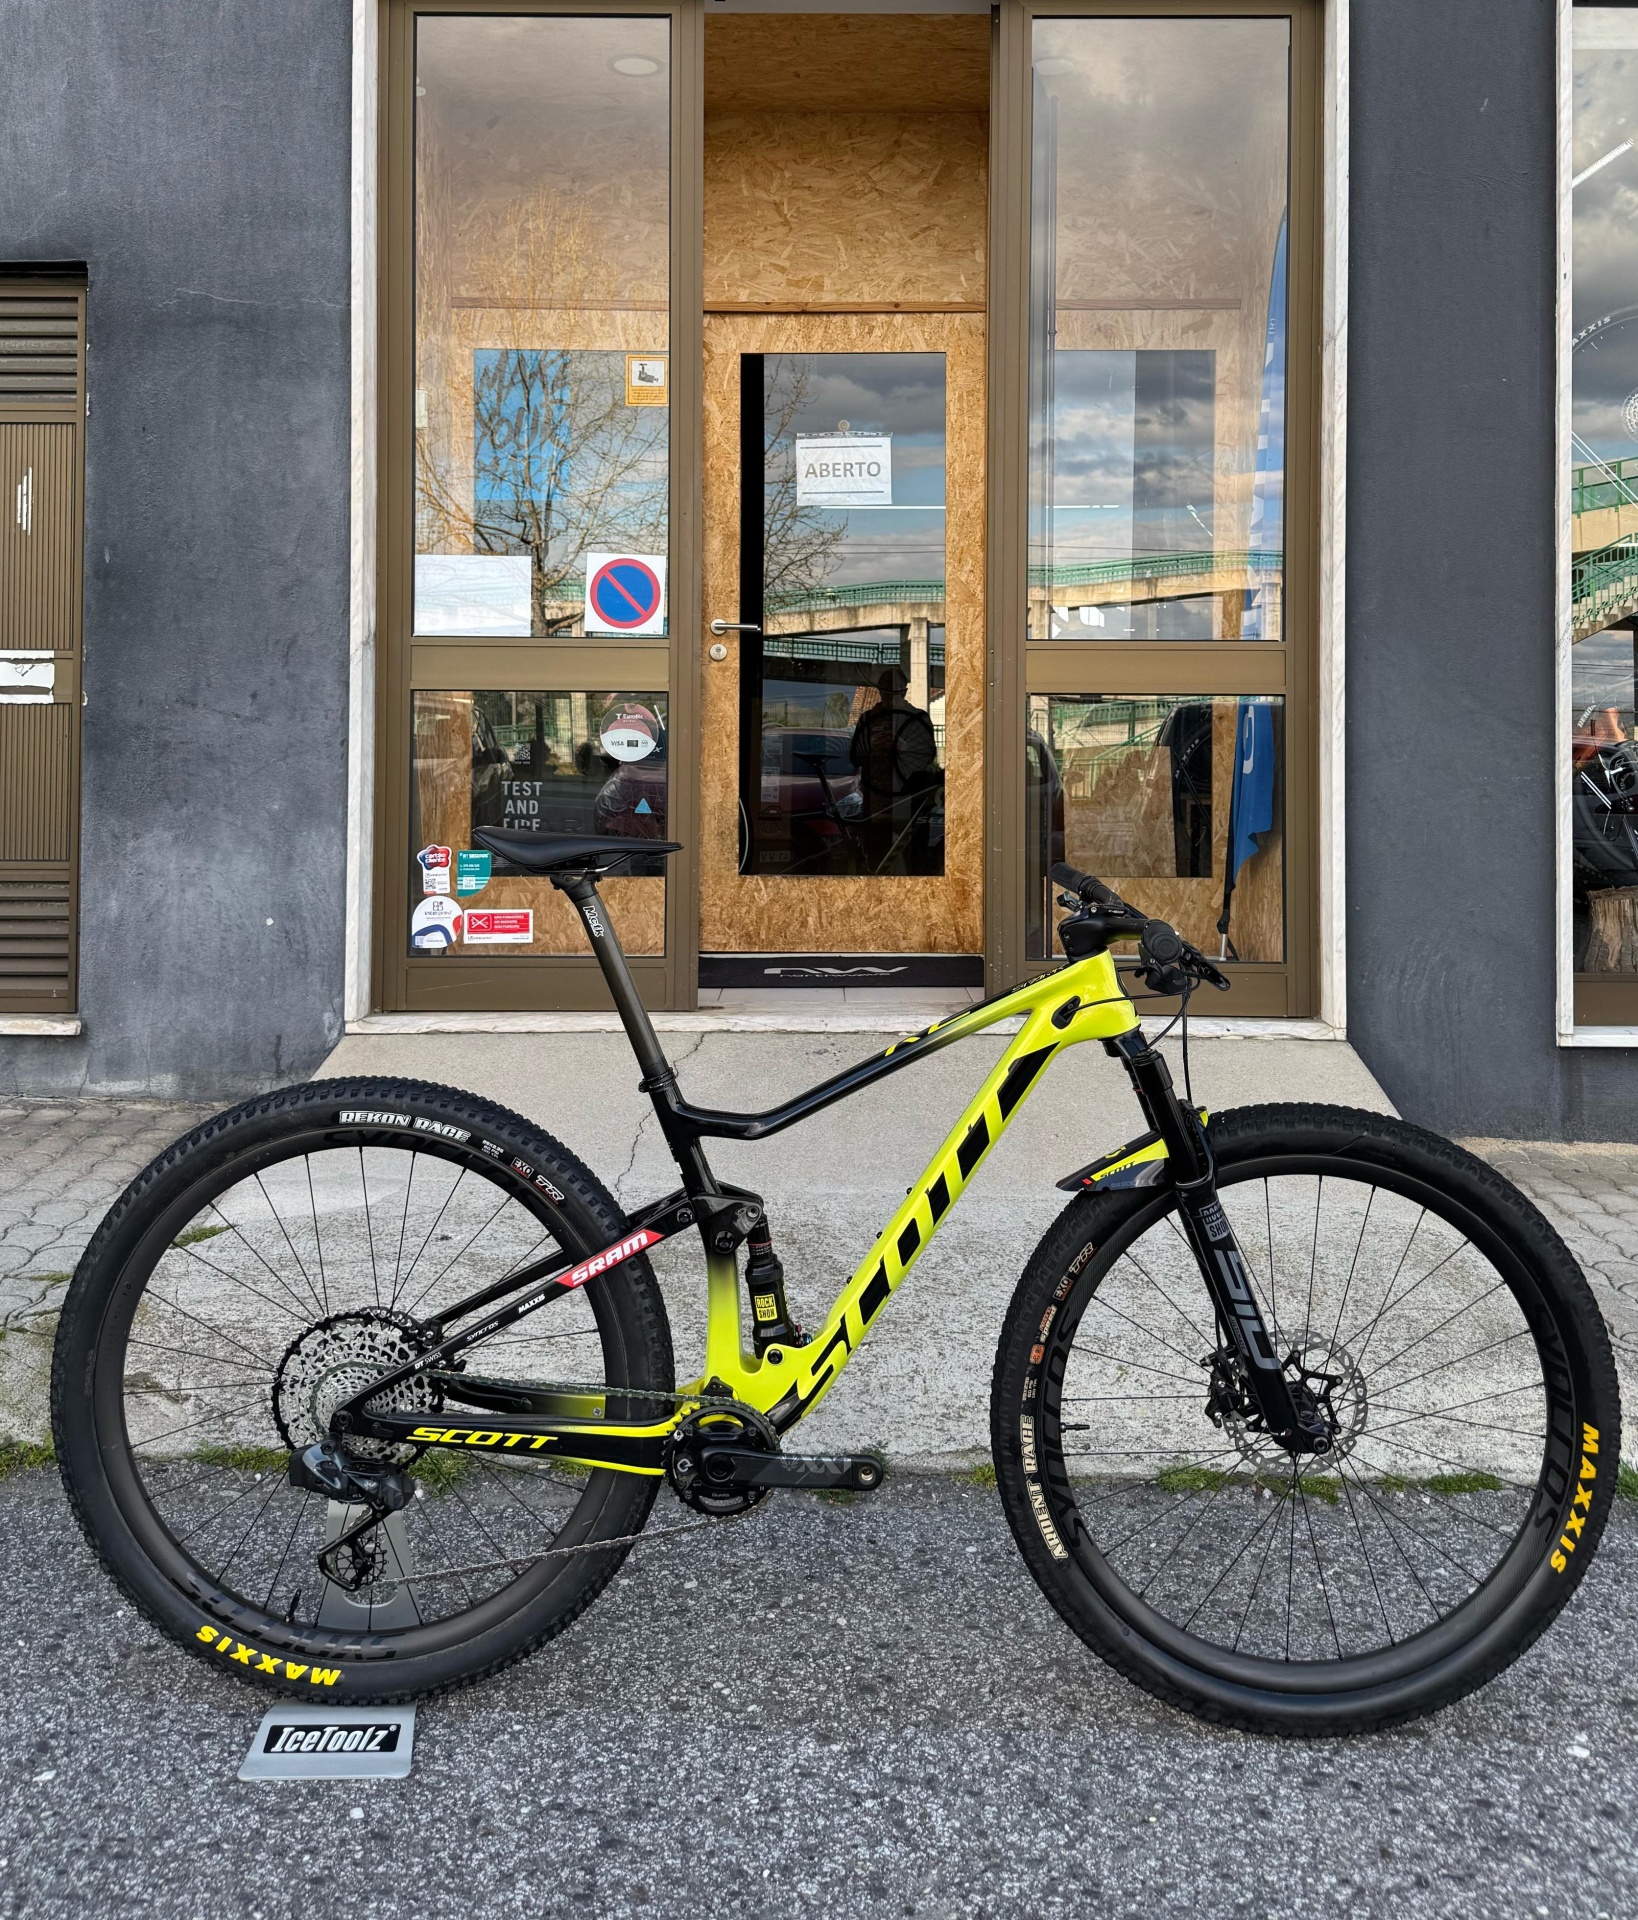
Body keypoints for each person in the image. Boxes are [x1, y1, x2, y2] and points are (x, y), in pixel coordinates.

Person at [848, 666, 941, 874]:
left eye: (896, 694)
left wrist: (904, 747)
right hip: (877, 801)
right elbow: (855, 757)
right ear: (880, 693)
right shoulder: (868, 719)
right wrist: (872, 748)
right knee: (877, 860)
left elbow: (927, 756)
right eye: (886, 694)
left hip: (911, 800)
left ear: (904, 692)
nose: (891, 700)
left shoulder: (918, 718)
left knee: (914, 861)